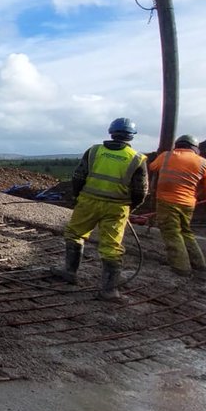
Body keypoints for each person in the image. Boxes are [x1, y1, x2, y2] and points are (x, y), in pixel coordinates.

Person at [49, 117, 149, 301]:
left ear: (111, 132)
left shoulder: (94, 151)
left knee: (74, 234)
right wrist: (131, 207)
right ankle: (109, 290)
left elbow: (78, 176)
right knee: (111, 246)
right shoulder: (137, 159)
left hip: (88, 201)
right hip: (117, 207)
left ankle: (70, 272)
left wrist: (76, 196)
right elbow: (141, 191)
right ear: (131, 136)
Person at [147, 134, 206, 277]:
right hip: (188, 203)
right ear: (195, 148)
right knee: (186, 231)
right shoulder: (205, 163)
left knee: (172, 232)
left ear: (178, 145)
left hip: (166, 201)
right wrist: (196, 197)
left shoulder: (166, 156)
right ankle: (199, 264)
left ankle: (181, 267)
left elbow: (152, 167)